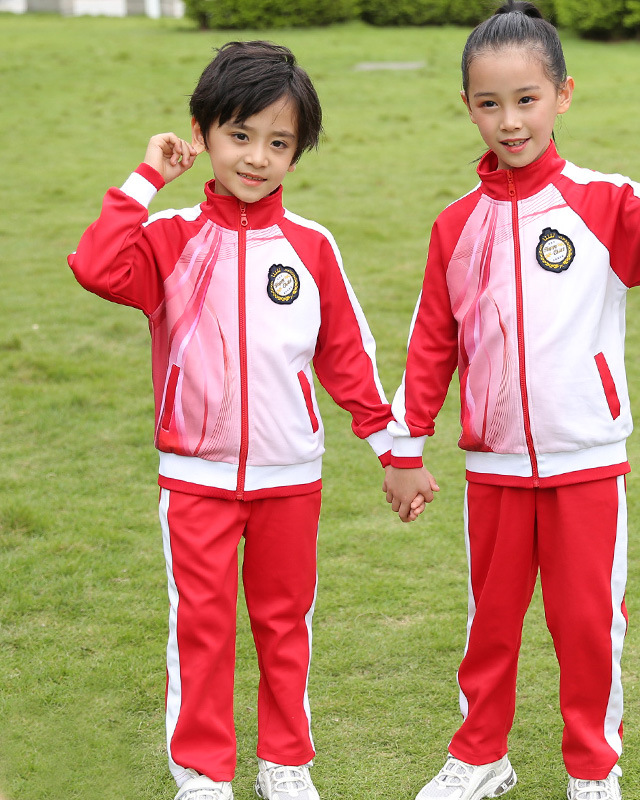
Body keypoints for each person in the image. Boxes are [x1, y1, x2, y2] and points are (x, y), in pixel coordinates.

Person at [383, 3, 640, 799]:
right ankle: (480, 758)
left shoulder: (604, 202)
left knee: (587, 628)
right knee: (490, 626)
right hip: (494, 466)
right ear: (467, 105)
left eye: (527, 99)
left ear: (563, 95)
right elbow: (431, 344)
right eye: (489, 103)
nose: (509, 121)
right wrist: (407, 452)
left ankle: (592, 771)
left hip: (587, 461)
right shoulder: (455, 226)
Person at [68, 41, 411, 800]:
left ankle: (285, 765)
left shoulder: (313, 247)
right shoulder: (168, 241)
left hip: (293, 477)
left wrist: (391, 449)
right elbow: (95, 265)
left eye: (279, 143)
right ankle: (202, 775)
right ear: (204, 132)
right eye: (241, 135)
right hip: (195, 480)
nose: (257, 158)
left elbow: (347, 355)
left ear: (299, 151)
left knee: (286, 626)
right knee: (204, 627)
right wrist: (146, 177)